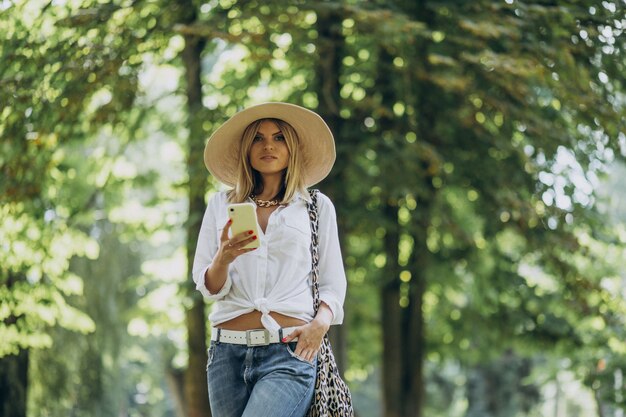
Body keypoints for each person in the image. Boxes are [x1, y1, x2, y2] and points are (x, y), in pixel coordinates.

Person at [192, 102, 347, 417]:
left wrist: (320, 324)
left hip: (289, 353)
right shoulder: (220, 205)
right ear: (246, 148)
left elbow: (333, 282)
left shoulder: (316, 208)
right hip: (226, 356)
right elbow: (208, 285)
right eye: (258, 138)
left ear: (292, 149)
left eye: (278, 138)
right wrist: (223, 258)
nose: (268, 146)